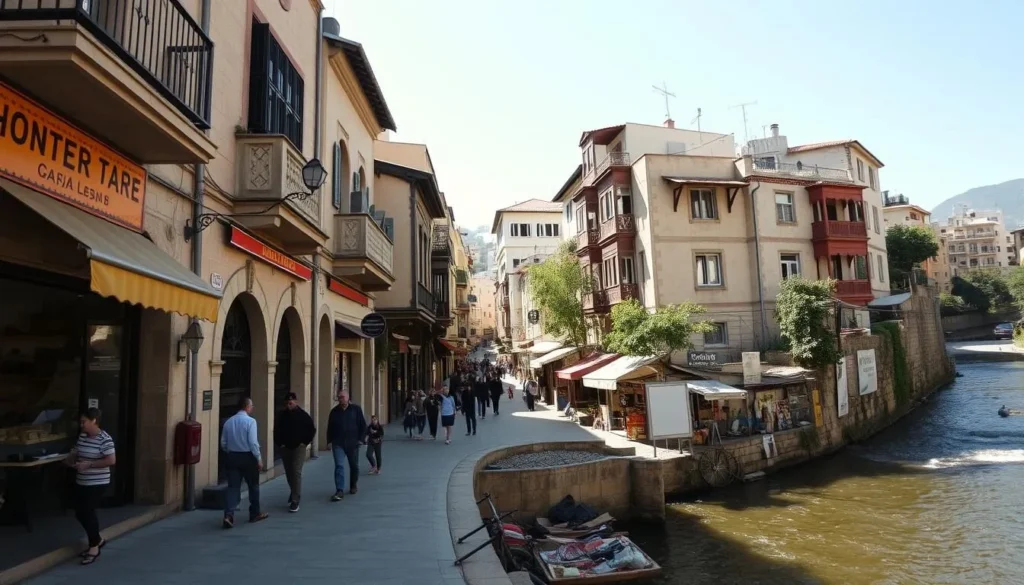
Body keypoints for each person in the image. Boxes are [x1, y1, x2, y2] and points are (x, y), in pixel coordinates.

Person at [65, 407, 115, 565]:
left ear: (94, 420)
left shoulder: (105, 439)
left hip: (98, 482)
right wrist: (72, 458)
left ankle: (94, 546)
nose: (81, 425)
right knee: (80, 512)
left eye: (84, 421)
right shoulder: (83, 436)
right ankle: (98, 540)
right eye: (80, 422)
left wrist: (89, 464)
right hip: (82, 480)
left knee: (87, 511)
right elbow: (77, 450)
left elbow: (111, 460)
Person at [220, 397, 268, 528]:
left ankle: (228, 514)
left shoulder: (229, 422)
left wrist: (230, 450)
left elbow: (223, 443)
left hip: (232, 456)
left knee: (233, 487)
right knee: (253, 486)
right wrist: (258, 458)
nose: (252, 408)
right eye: (251, 405)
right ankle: (254, 513)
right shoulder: (251, 422)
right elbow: (253, 442)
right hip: (248, 457)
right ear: (247, 407)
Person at [273, 392, 316, 513]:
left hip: (298, 448)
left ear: (295, 402)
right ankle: (294, 492)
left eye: (290, 403)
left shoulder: (303, 415)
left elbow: (311, 429)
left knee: (296, 471)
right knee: (289, 472)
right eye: (286, 403)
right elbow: (276, 430)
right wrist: (279, 443)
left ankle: (295, 500)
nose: (288, 405)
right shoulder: (282, 415)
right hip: (285, 447)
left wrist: (305, 442)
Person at [326, 390, 367, 501]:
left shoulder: (356, 410)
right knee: (339, 466)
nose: (341, 399)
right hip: (338, 443)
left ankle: (353, 485)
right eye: (339, 397)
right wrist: (329, 441)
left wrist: (361, 440)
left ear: (348, 397)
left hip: (353, 444)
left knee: (354, 466)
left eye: (343, 397)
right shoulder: (334, 412)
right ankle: (339, 490)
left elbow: (363, 425)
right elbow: (330, 427)